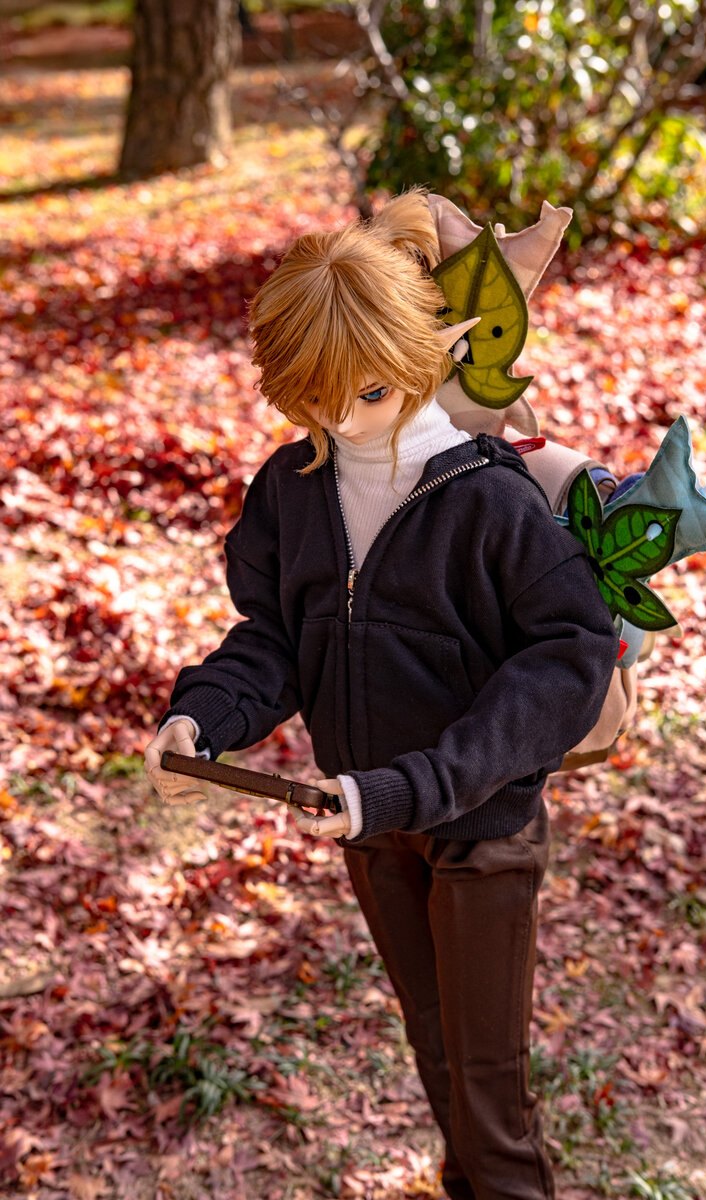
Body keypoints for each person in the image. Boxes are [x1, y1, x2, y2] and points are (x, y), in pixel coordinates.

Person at [144, 189, 619, 1200]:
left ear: (420, 354)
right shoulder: (292, 490)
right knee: (433, 1044)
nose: (338, 419)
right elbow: (276, 637)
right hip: (366, 823)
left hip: (480, 823)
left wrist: (416, 785)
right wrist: (203, 719)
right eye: (311, 397)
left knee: (487, 1085)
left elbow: (566, 656)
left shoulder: (485, 499)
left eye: (363, 392)